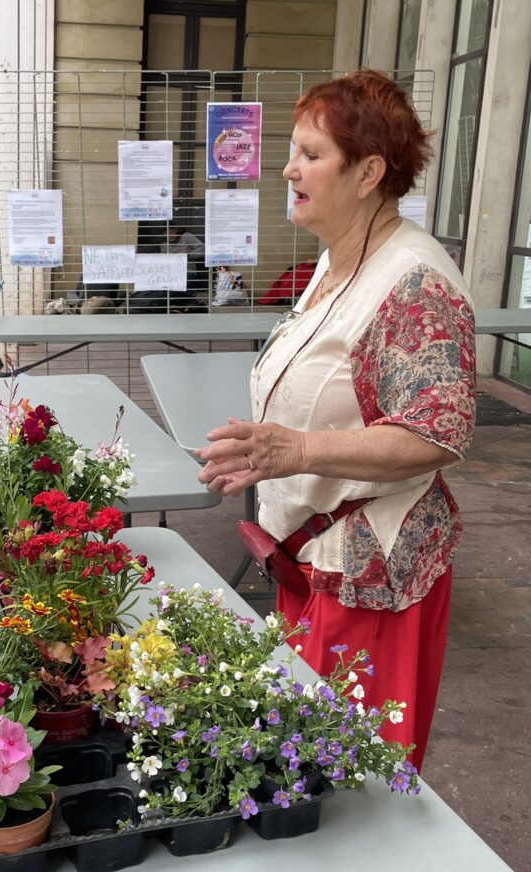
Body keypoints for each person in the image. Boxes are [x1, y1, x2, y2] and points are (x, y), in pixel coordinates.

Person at [196, 70, 476, 770]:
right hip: (312, 564)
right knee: (305, 770)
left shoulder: (415, 281)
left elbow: (434, 434)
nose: (289, 169)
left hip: (372, 580)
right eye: (293, 150)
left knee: (351, 786)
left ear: (368, 173)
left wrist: (293, 450)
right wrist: (269, 454)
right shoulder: (334, 261)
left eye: (311, 154)